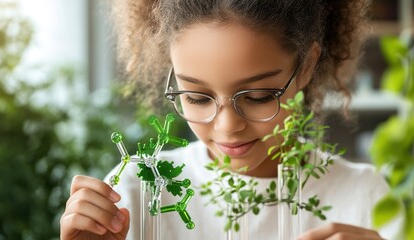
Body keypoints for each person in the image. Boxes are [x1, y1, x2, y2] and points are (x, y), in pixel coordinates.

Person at [60, 1, 394, 239]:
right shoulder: (136, 192)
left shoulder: (363, 197)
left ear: (307, 64)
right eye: (197, 97)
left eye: (258, 96)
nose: (227, 127)